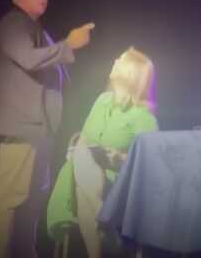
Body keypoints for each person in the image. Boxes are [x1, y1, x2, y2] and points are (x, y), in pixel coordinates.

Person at [0, 0, 95, 258]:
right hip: (22, 125)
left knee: (32, 201)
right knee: (11, 200)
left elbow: (53, 66)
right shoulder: (12, 24)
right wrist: (68, 44)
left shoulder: (37, 28)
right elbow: (29, 58)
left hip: (41, 128)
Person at [47, 46, 159, 258]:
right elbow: (84, 139)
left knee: (83, 183)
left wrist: (120, 159)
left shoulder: (144, 117)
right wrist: (78, 150)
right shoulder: (102, 101)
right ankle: (105, 225)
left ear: (129, 73)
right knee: (82, 158)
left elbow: (151, 164)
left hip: (118, 185)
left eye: (121, 59)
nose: (115, 59)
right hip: (85, 176)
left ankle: (103, 224)